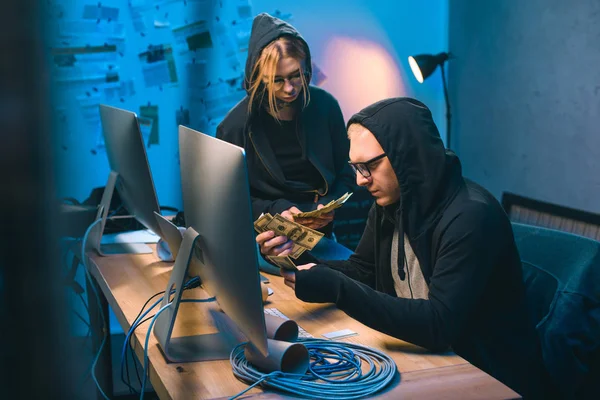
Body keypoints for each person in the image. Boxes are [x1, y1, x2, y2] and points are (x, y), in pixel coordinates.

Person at [257, 97, 553, 398]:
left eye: (370, 166)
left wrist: (336, 287)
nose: (360, 180)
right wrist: (295, 256)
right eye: (355, 167)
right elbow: (363, 271)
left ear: (406, 154)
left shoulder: (472, 216)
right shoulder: (390, 201)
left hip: (488, 375)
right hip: (431, 359)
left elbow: (438, 325)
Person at [217, 13, 354, 237]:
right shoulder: (235, 127)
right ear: (259, 78)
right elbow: (230, 201)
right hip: (263, 237)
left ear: (306, 70)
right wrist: (275, 209)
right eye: (278, 80)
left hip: (321, 233)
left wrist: (330, 204)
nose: (290, 88)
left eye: (296, 76)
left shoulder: (325, 106)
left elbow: (346, 172)